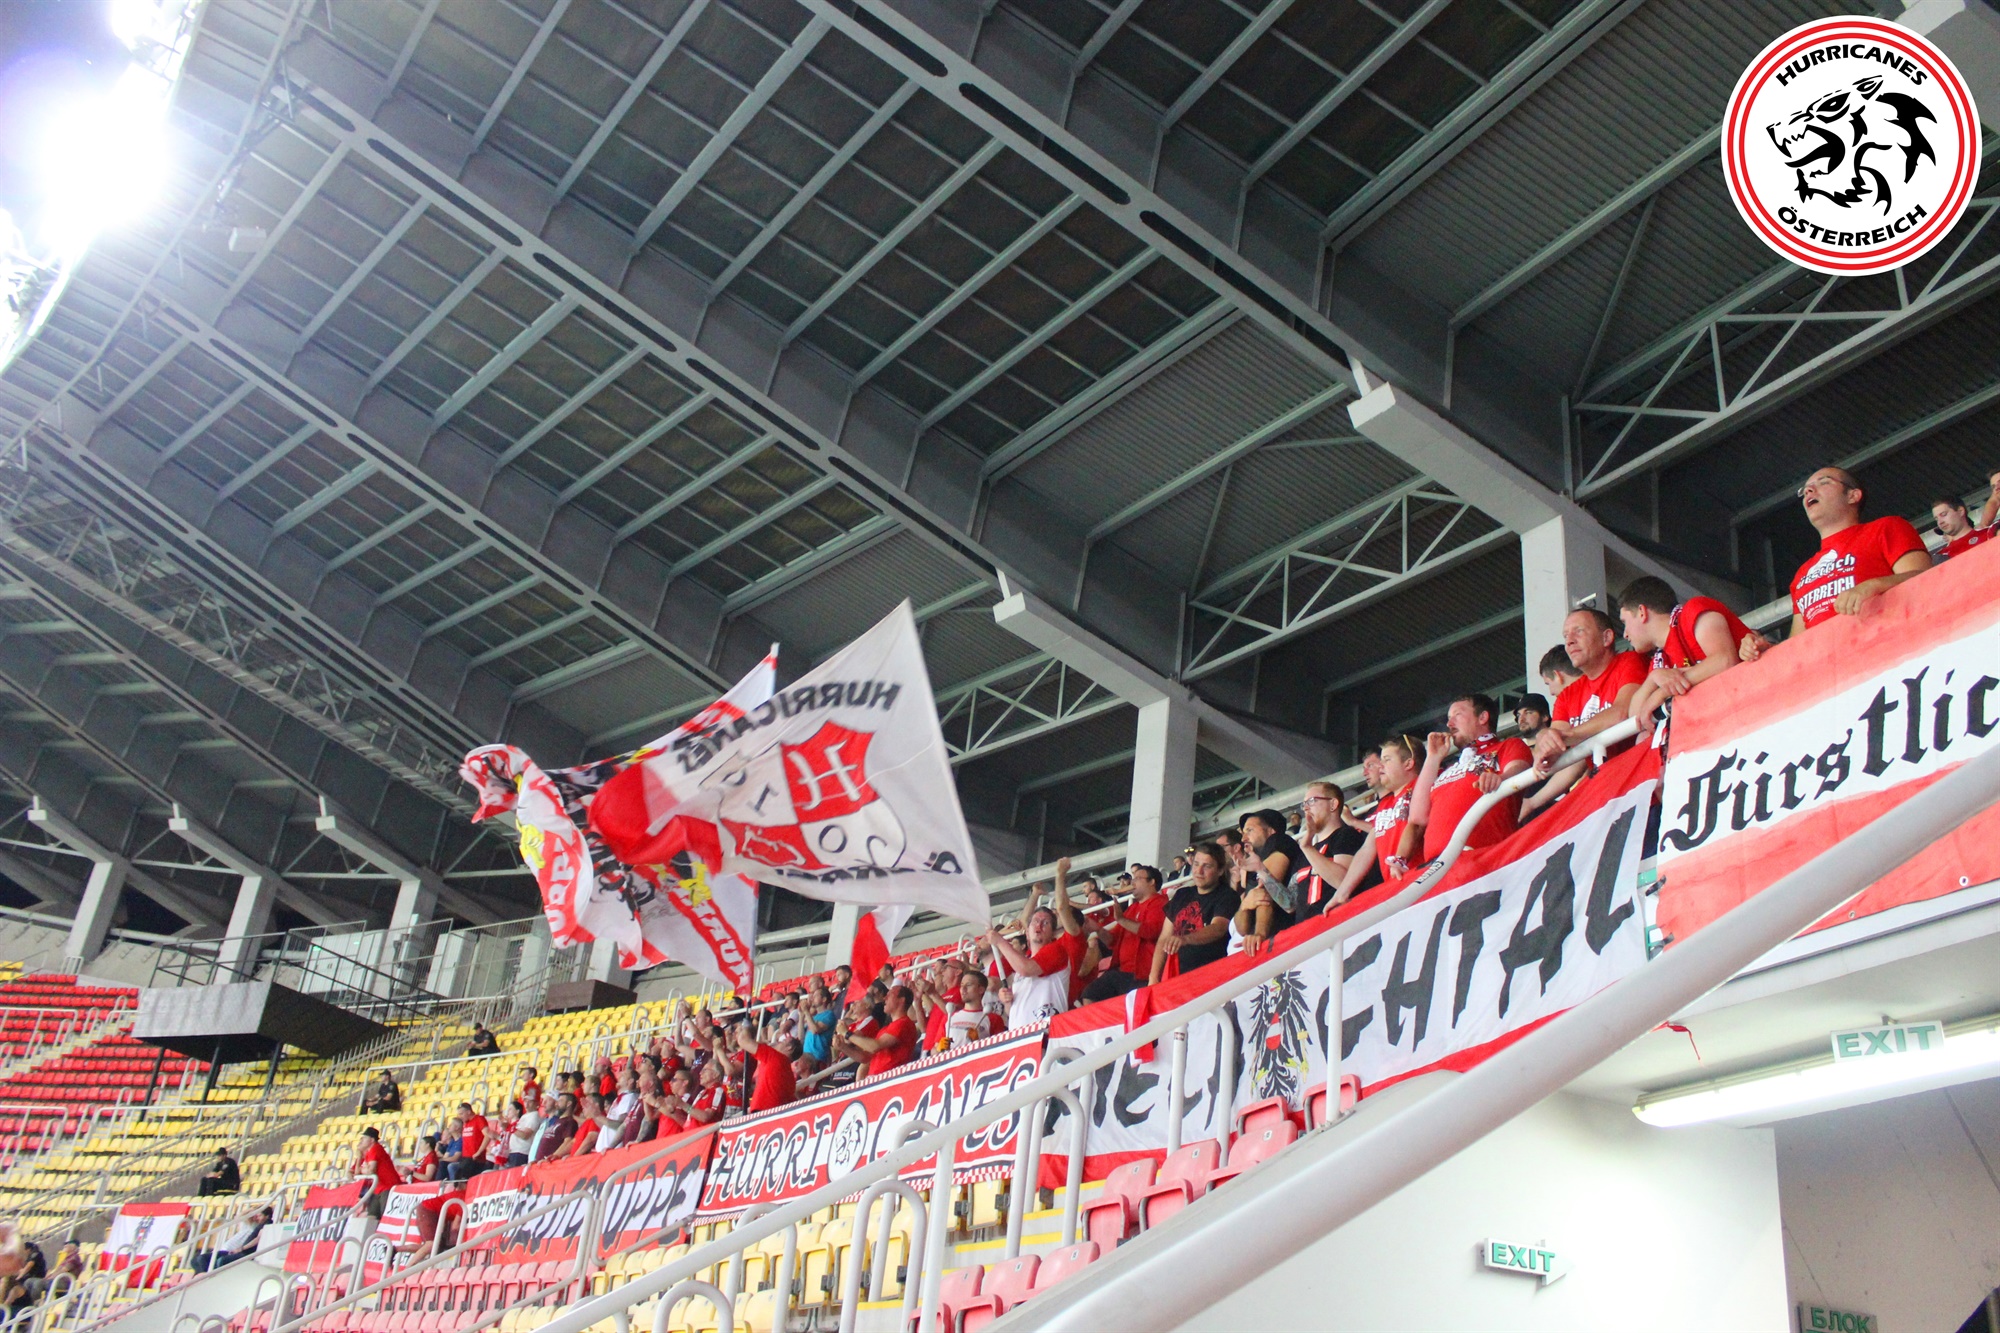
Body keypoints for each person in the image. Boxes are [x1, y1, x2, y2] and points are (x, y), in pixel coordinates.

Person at [1747, 465, 1929, 647]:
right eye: (1805, 489)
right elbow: (1798, 644)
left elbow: (1926, 579)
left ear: (1853, 496)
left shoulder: (1886, 528)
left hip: (1888, 647)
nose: (1809, 490)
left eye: (1824, 482)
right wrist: (1768, 651)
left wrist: (1873, 585)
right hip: (1833, 663)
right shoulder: (1802, 574)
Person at [1524, 609, 1648, 816]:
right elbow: (1560, 748)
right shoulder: (1567, 695)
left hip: (1642, 787)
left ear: (1607, 637)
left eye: (1579, 631)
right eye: (1566, 636)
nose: (1569, 641)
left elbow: (1621, 712)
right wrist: (1544, 744)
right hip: (1607, 799)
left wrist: (1568, 735)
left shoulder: (1630, 661)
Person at [1407, 694, 1533, 865]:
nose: (1449, 724)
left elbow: (1518, 770)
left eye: (1457, 715)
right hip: (1438, 868)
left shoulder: (1507, 746)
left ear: (1482, 717)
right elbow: (1418, 817)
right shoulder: (1448, 769)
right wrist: (1432, 757)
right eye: (1449, 718)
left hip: (1486, 859)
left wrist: (1500, 779)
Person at [1617, 576, 1750, 728]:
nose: (1625, 634)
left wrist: (1662, 692)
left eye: (1624, 622)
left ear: (1642, 612)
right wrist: (1652, 679)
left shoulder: (1693, 610)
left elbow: (1724, 660)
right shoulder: (1661, 660)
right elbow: (1635, 716)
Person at [1324, 736, 1421, 903]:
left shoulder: (1422, 788)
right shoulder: (1386, 805)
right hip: (1396, 890)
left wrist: (1400, 859)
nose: (1381, 766)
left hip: (1420, 883)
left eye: (1387, 760)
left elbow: (1416, 824)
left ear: (1408, 764)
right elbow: (1367, 849)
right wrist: (1341, 893)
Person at [1151, 844, 1240, 983]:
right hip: (1175, 976)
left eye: (1207, 866)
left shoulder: (1227, 896)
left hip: (1210, 977)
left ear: (1220, 870)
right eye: (1196, 864)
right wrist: (1153, 978)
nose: (1199, 871)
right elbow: (1164, 937)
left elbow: (1218, 928)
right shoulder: (1181, 894)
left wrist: (1186, 939)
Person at [987, 898, 1077, 1029]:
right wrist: (1006, 1001)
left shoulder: (1057, 951)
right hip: (1020, 1035)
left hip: (1046, 1032)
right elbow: (1012, 1012)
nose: (1039, 926)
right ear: (1027, 933)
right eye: (1035, 921)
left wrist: (1000, 942)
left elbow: (1027, 969)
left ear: (1052, 934)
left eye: (1045, 923)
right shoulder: (1020, 969)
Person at [1291, 781, 1368, 921]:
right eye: (1304, 804)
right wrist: (1261, 870)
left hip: (1336, 923)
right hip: (1305, 930)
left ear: (1333, 804)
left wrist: (1307, 848)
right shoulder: (1305, 852)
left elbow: (1343, 882)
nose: (1306, 808)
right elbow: (1290, 905)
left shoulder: (1346, 835)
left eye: (1312, 801)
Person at [1230, 809, 1304, 943]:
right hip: (1269, 943)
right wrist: (1245, 905)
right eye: (1243, 833)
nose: (1243, 839)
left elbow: (1265, 893)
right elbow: (1242, 929)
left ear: (1270, 831)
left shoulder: (1279, 840)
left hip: (1286, 938)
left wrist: (1259, 934)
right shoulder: (1255, 866)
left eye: (1249, 830)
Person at [841, 984, 919, 1078]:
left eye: (890, 995)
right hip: (877, 1079)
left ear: (902, 1000)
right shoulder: (886, 1029)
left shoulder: (903, 1023)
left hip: (889, 1079)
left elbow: (875, 1047)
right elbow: (865, 1057)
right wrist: (842, 1046)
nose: (885, 998)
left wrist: (847, 1034)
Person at [734, 1022, 797, 1110]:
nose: (778, 1042)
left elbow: (743, 1040)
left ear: (789, 1048)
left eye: (782, 1042)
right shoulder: (789, 1074)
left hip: (763, 1111)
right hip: (773, 1111)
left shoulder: (776, 1057)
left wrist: (746, 1024)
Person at [193, 1207, 269, 1272]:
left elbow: (257, 1239)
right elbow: (240, 1216)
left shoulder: (258, 1227)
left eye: (259, 1215)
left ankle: (206, 1276)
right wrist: (253, 1209)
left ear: (266, 1216)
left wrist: (241, 1249)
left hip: (231, 1250)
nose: (257, 1217)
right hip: (225, 1247)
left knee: (203, 1259)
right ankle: (203, 1275)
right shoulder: (248, 1224)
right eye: (256, 1215)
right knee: (194, 1261)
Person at [353, 1128, 401, 1216]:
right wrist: (359, 1158)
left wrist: (363, 1169)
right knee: (372, 1216)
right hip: (378, 1188)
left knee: (384, 1215)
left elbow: (371, 1170)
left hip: (388, 1186)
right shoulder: (369, 1152)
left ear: (372, 1140)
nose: (361, 1140)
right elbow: (357, 1173)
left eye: (364, 1138)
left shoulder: (376, 1148)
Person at [1933, 494, 1992, 558]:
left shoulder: (1989, 534)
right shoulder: (1941, 555)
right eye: (1936, 519)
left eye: (1944, 514)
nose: (1940, 522)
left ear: (1960, 511)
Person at [528, 1095, 578, 1163]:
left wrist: (554, 1156)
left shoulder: (570, 1122)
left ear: (568, 1104)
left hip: (550, 1163)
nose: (556, 1103)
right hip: (540, 1162)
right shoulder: (556, 1121)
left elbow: (568, 1142)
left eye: (560, 1101)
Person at [505, 1099, 539, 1167]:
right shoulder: (524, 1116)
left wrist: (509, 1127)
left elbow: (525, 1135)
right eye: (525, 1101)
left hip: (521, 1152)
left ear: (536, 1103)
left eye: (530, 1101)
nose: (527, 1103)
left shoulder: (534, 1116)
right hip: (514, 1152)